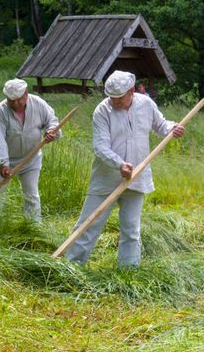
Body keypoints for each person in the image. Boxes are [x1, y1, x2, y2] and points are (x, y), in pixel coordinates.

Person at [64, 70, 185, 267]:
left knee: (131, 229)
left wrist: (172, 128)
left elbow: (161, 124)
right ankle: (73, 265)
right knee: (88, 224)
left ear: (131, 91)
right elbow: (100, 147)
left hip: (136, 177)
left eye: (119, 98)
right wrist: (119, 164)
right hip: (106, 178)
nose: (115, 102)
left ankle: (128, 270)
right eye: (111, 98)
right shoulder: (102, 111)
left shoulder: (146, 104)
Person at [0, 78, 60, 221]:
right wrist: (3, 163)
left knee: (31, 195)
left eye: (18, 99)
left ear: (26, 94)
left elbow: (52, 121)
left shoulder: (39, 104)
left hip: (31, 158)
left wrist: (52, 131)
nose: (15, 103)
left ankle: (34, 227)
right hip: (6, 160)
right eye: (11, 100)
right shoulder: (0, 112)